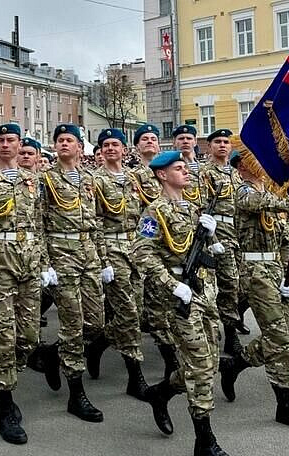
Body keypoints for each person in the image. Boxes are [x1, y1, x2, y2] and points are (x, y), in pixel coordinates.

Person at [132, 151, 229, 456]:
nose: (186, 172)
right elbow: (141, 253)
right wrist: (172, 285)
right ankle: (204, 440)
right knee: (200, 366)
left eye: (186, 167)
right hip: (179, 298)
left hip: (205, 293)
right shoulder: (154, 212)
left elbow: (204, 251)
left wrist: (212, 236)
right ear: (162, 175)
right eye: (178, 168)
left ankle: (161, 393)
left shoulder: (194, 209)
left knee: (210, 363)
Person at [219, 151, 289, 432]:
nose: (261, 164)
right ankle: (285, 405)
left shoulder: (271, 195)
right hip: (256, 272)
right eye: (253, 161)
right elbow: (258, 203)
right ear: (242, 167)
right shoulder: (243, 192)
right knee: (279, 340)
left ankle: (235, 365)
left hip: (277, 268)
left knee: (278, 335)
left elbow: (286, 232)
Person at [0, 123, 43, 444]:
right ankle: (4, 401)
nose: (4, 144)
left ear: (19, 143)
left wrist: (45, 263)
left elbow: (39, 223)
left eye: (10, 139)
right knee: (3, 335)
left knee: (28, 336)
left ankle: (2, 379)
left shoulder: (33, 180)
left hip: (30, 263)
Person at [40, 123, 104, 422]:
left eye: (70, 140)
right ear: (55, 147)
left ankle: (53, 354)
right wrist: (45, 263)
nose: (64, 144)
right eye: (60, 140)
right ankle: (76, 393)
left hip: (89, 253)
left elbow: (97, 219)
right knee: (72, 323)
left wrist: (102, 258)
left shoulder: (90, 179)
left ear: (80, 146)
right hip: (61, 254)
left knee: (96, 322)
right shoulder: (45, 180)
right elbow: (38, 222)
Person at [89, 128, 148, 400]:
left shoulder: (134, 178)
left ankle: (98, 344)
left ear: (125, 150)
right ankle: (135, 375)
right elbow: (95, 221)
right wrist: (103, 260)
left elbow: (146, 214)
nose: (111, 148)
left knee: (138, 309)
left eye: (116, 144)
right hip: (113, 250)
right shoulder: (95, 180)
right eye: (106, 145)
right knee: (128, 311)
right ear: (101, 151)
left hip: (136, 248)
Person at [130, 124, 179, 379]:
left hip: (173, 244)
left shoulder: (173, 171)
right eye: (144, 139)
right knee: (147, 306)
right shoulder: (132, 177)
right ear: (137, 146)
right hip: (146, 242)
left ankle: (173, 353)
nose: (150, 141)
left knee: (168, 303)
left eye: (153, 138)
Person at [200, 129, 243, 355]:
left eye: (226, 141)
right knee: (226, 283)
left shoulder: (236, 173)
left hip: (237, 232)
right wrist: (213, 239)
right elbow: (201, 208)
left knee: (237, 284)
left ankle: (230, 323)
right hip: (218, 233)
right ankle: (229, 333)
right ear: (209, 147)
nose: (223, 145)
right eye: (217, 141)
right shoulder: (204, 173)